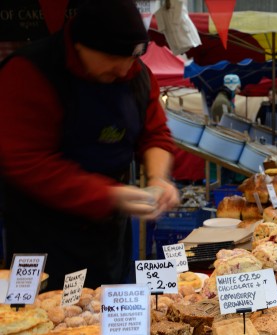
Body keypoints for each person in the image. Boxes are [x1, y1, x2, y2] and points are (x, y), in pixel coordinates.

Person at [0, 0, 180, 290]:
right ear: (81, 45)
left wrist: (158, 178)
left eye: (130, 59)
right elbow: (26, 162)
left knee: (107, 313)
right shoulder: (29, 72)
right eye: (112, 61)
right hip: (42, 236)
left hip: (109, 234)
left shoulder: (136, 74)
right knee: (46, 327)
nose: (122, 71)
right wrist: (108, 195)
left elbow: (155, 134)